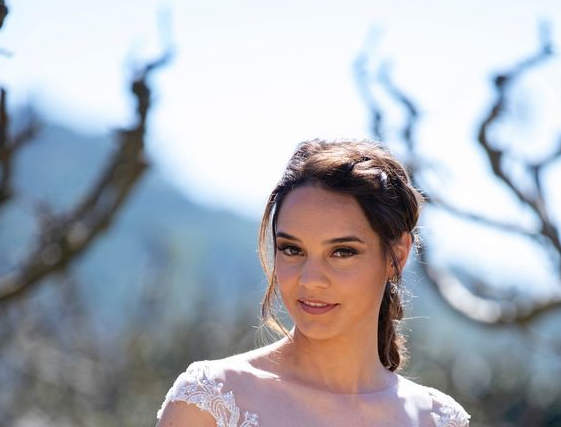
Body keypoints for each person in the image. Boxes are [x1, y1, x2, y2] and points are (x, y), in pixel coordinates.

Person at [156, 139, 470, 427]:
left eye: (342, 252)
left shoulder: (438, 419)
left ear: (396, 257)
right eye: (292, 249)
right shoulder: (210, 401)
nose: (311, 280)